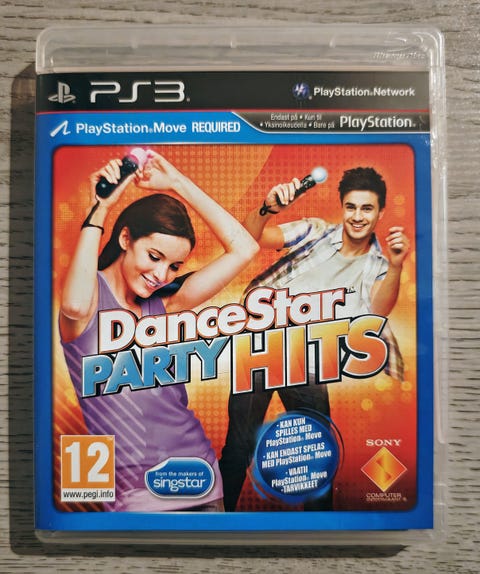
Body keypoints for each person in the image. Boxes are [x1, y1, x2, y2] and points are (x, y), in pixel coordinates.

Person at [59, 150, 259, 512]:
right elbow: (72, 306)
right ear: (125, 239)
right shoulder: (87, 301)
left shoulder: (166, 302)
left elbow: (245, 249)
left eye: (174, 266)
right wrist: (99, 208)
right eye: (154, 256)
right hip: (130, 495)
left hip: (199, 480)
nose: (161, 275)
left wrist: (177, 183)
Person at [219, 166, 410, 511]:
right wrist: (266, 210)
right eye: (351, 207)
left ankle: (321, 530)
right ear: (342, 207)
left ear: (380, 213)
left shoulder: (377, 265)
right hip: (260, 344)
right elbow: (249, 241)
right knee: (238, 447)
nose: (357, 216)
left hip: (307, 360)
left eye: (367, 209)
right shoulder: (315, 232)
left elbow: (378, 311)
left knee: (316, 453)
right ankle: (215, 524)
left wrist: (396, 265)